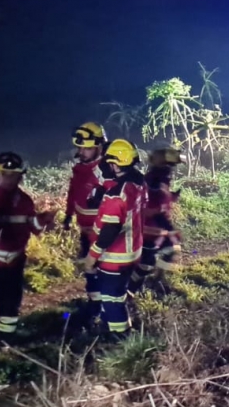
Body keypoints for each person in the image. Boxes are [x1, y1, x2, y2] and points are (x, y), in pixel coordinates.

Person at [0, 152, 55, 351]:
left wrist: (42, 220)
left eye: (14, 175)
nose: (10, 179)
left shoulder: (24, 200)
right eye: (5, 174)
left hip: (14, 263)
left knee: (11, 304)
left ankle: (6, 341)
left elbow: (32, 226)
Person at [82, 139, 147, 340]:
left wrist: (92, 257)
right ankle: (109, 325)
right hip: (132, 253)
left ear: (114, 164)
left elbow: (110, 230)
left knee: (111, 299)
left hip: (114, 258)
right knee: (115, 295)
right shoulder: (138, 183)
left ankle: (120, 339)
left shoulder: (116, 195)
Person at [64, 122, 108, 328]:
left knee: (104, 269)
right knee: (89, 267)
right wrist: (68, 215)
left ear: (99, 147)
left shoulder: (106, 171)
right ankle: (94, 303)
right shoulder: (80, 169)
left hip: (103, 233)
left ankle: (107, 308)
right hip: (85, 230)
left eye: (87, 148)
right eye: (80, 147)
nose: (82, 151)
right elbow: (73, 193)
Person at [132, 147, 186, 294]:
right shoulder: (155, 180)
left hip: (153, 225)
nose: (172, 170)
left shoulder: (157, 178)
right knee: (147, 261)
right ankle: (133, 288)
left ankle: (155, 279)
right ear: (164, 165)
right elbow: (150, 206)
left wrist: (171, 197)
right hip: (150, 227)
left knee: (168, 249)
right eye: (171, 165)